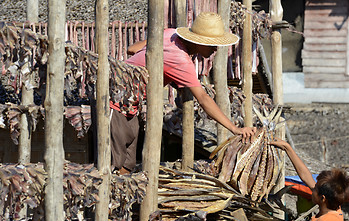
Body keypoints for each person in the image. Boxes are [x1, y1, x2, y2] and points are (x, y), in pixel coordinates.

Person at [110, 12, 257, 174]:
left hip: (130, 105)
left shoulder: (170, 34)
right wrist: (234, 128)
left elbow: (132, 49)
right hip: (114, 101)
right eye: (212, 44)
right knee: (114, 164)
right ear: (199, 42)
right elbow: (203, 98)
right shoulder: (181, 60)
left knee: (126, 164)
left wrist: (165, 71)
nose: (215, 49)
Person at [270, 138, 349, 221]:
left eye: (315, 189)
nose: (312, 189)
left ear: (323, 198)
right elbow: (306, 177)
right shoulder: (335, 210)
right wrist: (288, 148)